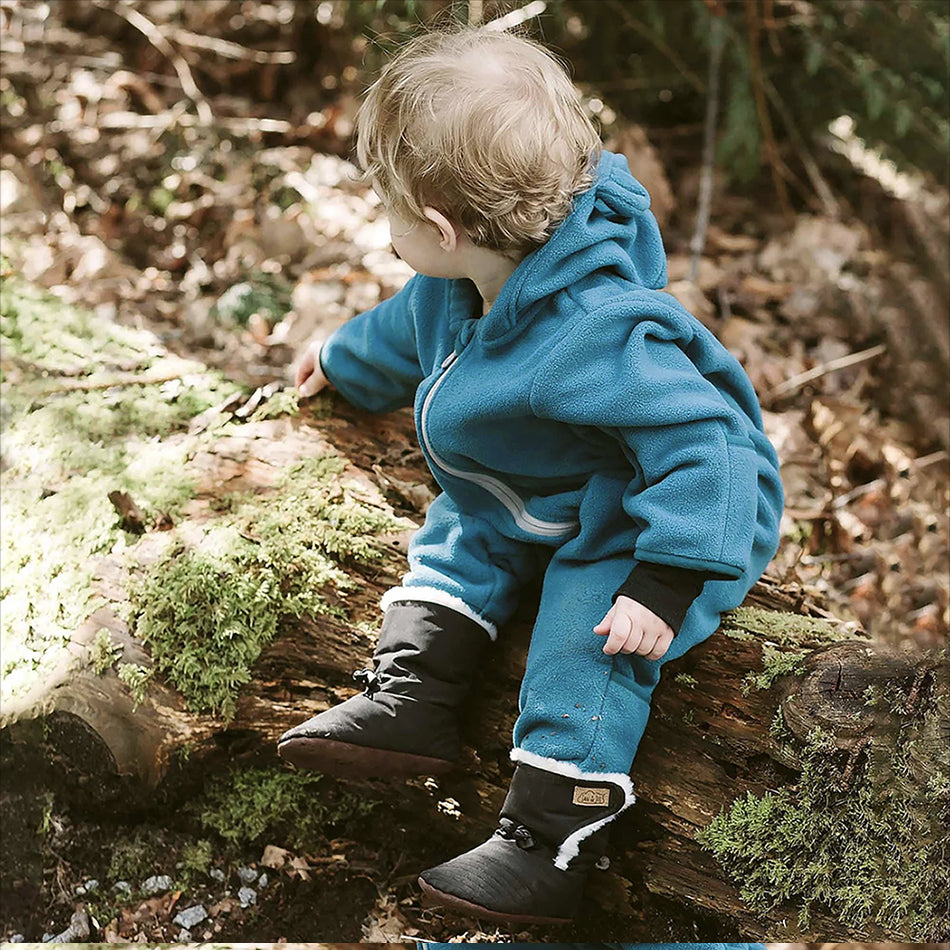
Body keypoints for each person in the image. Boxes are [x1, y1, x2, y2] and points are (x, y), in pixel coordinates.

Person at [277, 25, 783, 926]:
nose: (383, 225)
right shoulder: (456, 281)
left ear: (440, 226)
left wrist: (663, 582)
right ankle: (411, 701)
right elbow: (403, 333)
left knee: (586, 640)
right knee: (460, 533)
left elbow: (707, 444)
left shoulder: (598, 332)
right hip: (531, 486)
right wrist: (338, 361)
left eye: (387, 207)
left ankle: (552, 835)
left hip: (661, 508)